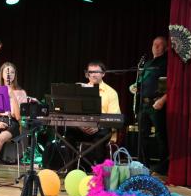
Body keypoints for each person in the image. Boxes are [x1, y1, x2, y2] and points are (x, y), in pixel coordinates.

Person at [69, 60, 121, 168]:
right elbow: (73, 112)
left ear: (103, 74)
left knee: (101, 137)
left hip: (101, 128)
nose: (93, 74)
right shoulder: (80, 90)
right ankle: (71, 169)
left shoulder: (111, 92)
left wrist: (98, 126)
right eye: (91, 72)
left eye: (96, 72)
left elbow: (114, 118)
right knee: (69, 133)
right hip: (83, 127)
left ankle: (97, 171)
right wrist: (80, 125)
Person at [130, 36, 169, 174]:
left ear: (165, 48)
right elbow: (142, 82)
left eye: (159, 45)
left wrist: (163, 100)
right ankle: (144, 166)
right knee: (142, 136)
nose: (156, 47)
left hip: (157, 103)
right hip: (143, 104)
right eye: (154, 44)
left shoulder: (167, 63)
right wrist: (135, 86)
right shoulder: (147, 64)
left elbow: (172, 84)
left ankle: (163, 168)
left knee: (161, 136)